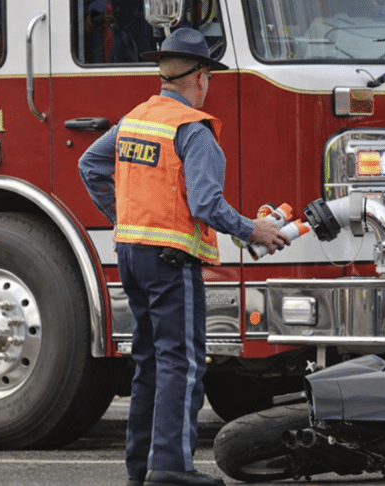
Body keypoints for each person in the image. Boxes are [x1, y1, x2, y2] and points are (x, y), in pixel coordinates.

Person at [78, 27, 289, 486]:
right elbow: (206, 205)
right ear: (200, 77)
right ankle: (171, 468)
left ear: (164, 75)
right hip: (172, 261)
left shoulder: (134, 119)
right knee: (184, 364)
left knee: (150, 363)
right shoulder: (193, 131)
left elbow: (89, 166)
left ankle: (142, 467)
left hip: (131, 256)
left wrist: (126, 216)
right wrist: (255, 229)